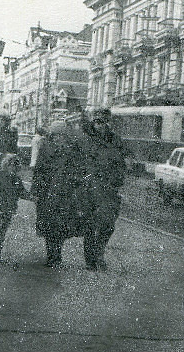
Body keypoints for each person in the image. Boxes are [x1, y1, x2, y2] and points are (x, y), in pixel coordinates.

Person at [32, 110, 92, 268]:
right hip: (48, 193)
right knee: (49, 226)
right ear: (51, 136)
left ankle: (56, 255)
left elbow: (81, 170)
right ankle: (52, 256)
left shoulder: (73, 150)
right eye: (56, 135)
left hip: (67, 194)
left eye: (62, 135)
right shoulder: (45, 149)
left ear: (66, 136)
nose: (59, 138)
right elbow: (39, 171)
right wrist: (36, 191)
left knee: (62, 227)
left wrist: (79, 184)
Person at [80, 107, 129, 271]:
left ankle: (99, 253)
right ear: (93, 123)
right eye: (97, 122)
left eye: (103, 122)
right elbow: (79, 164)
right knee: (90, 225)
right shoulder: (86, 139)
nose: (100, 126)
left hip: (109, 187)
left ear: (108, 123)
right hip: (89, 189)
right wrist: (86, 179)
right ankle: (91, 260)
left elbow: (122, 163)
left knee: (108, 224)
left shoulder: (115, 140)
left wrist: (117, 179)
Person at [0, 153, 30, 263]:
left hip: (8, 209)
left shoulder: (16, 179)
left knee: (1, 233)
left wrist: (34, 198)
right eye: (13, 165)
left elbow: (22, 192)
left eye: (16, 165)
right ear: (7, 164)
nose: (15, 168)